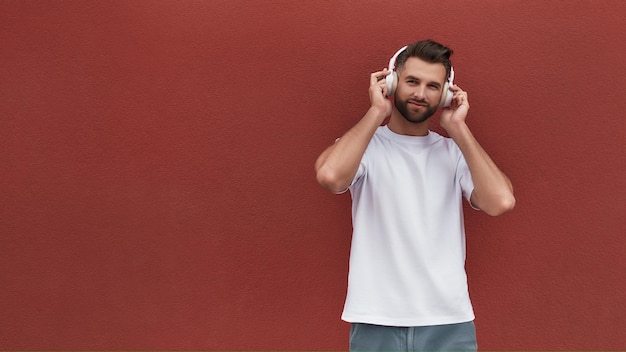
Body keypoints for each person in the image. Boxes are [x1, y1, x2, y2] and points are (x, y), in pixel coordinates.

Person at [314, 40, 516, 351]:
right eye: (412, 81)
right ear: (392, 82)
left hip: (448, 322)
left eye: (433, 86)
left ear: (446, 93)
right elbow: (330, 176)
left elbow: (501, 201)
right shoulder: (365, 146)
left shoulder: (454, 153)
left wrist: (458, 129)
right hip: (375, 319)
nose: (421, 94)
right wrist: (375, 111)